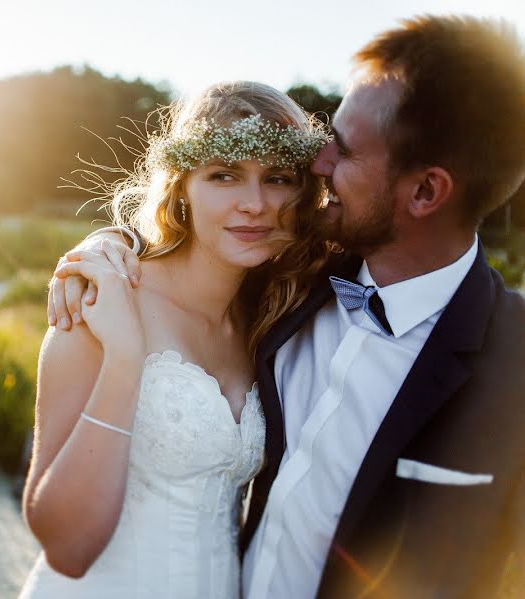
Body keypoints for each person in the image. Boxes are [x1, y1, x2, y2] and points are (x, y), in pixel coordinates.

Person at [48, 15, 525, 598]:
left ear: (426, 192)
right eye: (225, 174)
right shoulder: (287, 285)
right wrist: (106, 250)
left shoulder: (511, 361)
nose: (318, 167)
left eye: (341, 153)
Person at [18, 81, 331, 598]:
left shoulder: (274, 317)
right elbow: (67, 549)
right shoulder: (100, 300)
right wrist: (125, 357)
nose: (254, 204)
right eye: (223, 175)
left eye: (277, 178)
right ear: (182, 187)